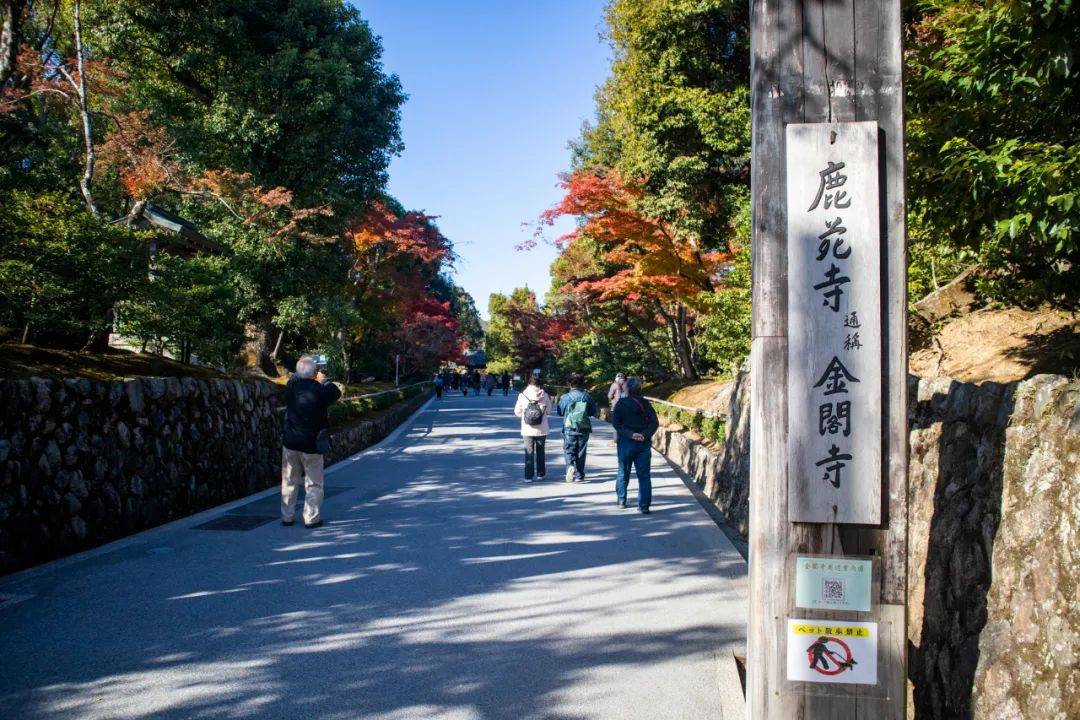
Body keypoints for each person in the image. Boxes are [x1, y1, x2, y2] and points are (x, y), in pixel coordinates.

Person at [281, 355, 342, 528]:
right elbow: (336, 393)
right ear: (315, 373)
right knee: (314, 483)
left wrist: (301, 369)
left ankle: (287, 516)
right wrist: (325, 380)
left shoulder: (291, 388)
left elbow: (293, 379)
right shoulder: (320, 390)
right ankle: (311, 518)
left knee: (289, 480)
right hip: (312, 444)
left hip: (290, 441)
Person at [610, 377, 659, 514]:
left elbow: (616, 423)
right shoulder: (646, 404)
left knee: (623, 471)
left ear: (628, 389)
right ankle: (644, 505)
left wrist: (631, 434)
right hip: (643, 443)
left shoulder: (621, 404)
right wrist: (644, 434)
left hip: (626, 441)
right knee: (644, 475)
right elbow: (654, 423)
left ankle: (621, 499)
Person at [556, 372, 598, 483]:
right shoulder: (586, 396)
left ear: (569, 384)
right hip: (583, 427)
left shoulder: (565, 397)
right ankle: (579, 474)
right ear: (582, 383)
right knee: (581, 451)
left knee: (569, 449)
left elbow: (560, 412)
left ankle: (570, 466)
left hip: (569, 427)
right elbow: (593, 412)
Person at [513, 373, 553, 483]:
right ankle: (541, 474)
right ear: (539, 383)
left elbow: (517, 412)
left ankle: (528, 476)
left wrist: (525, 415)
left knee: (529, 452)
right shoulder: (544, 395)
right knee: (541, 451)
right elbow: (549, 411)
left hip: (527, 428)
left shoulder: (522, 395)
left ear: (529, 383)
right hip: (542, 428)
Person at [607, 372, 629, 445]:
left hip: (616, 407)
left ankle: (616, 441)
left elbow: (609, 396)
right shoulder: (627, 384)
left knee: (616, 424)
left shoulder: (614, 385)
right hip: (627, 407)